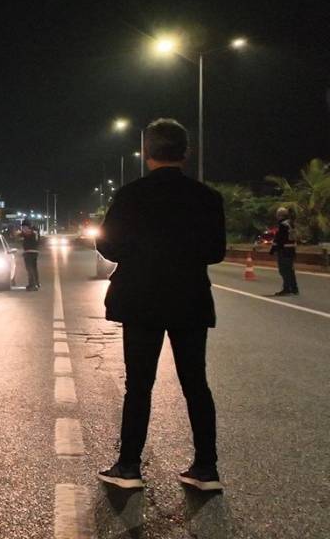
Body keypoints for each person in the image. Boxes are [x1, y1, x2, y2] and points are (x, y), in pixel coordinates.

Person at [96, 118, 226, 492]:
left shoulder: (130, 195)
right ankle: (206, 468)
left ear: (147, 153)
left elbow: (108, 245)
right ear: (186, 153)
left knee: (139, 385)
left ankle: (128, 467)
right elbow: (215, 252)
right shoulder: (207, 197)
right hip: (190, 299)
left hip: (141, 300)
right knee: (195, 384)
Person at [272, 207, 299, 296]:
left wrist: (274, 249)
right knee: (290, 270)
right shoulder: (291, 223)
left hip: (284, 250)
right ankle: (294, 288)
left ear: (280, 215)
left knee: (283, 270)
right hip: (291, 250)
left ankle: (287, 288)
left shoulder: (283, 225)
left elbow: (279, 239)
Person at [19, 219, 41, 291]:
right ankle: (36, 283)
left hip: (29, 252)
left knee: (29, 269)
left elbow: (23, 235)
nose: (23, 228)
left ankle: (32, 285)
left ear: (27, 226)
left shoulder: (29, 232)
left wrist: (20, 234)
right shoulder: (35, 232)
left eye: (24, 227)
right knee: (34, 268)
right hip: (35, 251)